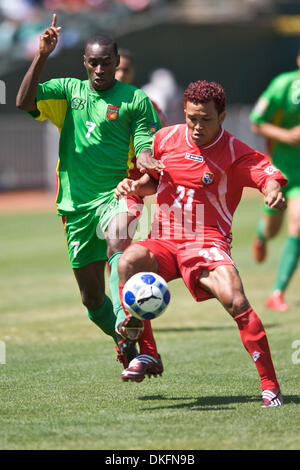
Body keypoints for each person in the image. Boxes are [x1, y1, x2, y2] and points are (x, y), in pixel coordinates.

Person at [115, 80, 286, 407]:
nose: (196, 126)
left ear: (221, 116)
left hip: (206, 242)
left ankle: (270, 386)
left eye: (205, 119)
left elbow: (265, 173)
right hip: (164, 240)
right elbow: (151, 181)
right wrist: (134, 186)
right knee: (128, 262)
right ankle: (147, 353)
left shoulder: (233, 150)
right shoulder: (165, 138)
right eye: (192, 118)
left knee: (235, 300)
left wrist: (273, 190)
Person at [16, 13, 163, 371]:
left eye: (106, 63)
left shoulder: (135, 99)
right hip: (75, 206)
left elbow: (144, 145)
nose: (100, 69)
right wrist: (42, 55)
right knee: (92, 298)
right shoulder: (69, 91)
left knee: (118, 242)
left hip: (116, 195)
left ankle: (126, 316)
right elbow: (23, 101)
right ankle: (123, 340)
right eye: (93, 62)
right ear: (85, 62)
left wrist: (148, 158)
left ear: (116, 64)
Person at [250, 51, 300, 311]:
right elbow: (256, 122)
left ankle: (277, 292)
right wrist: (286, 135)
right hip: (278, 172)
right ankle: (262, 236)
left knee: (298, 227)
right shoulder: (284, 85)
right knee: (272, 229)